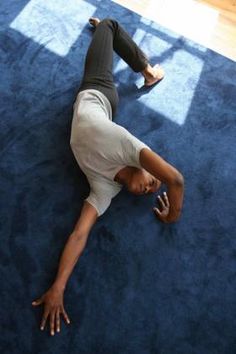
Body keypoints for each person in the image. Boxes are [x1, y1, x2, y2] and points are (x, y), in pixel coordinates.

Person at [32, 18, 184, 336]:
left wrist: (58, 286)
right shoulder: (127, 143)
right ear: (146, 165)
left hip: (92, 104)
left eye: (148, 190)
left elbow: (79, 234)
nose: (150, 187)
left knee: (105, 34)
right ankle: (150, 72)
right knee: (110, 26)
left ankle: (122, 51)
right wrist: (172, 214)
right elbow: (176, 180)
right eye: (153, 181)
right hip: (98, 90)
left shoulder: (106, 189)